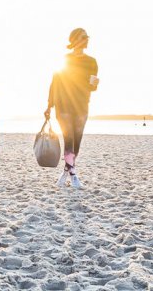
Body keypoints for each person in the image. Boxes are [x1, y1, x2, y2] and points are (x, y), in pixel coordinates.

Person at [45, 28, 98, 188]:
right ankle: (73, 175)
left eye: (87, 37)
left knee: (77, 142)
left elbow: (91, 87)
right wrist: (49, 105)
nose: (87, 39)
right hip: (64, 105)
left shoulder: (92, 62)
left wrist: (94, 84)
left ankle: (65, 172)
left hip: (82, 105)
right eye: (83, 37)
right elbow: (55, 83)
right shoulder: (64, 59)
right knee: (69, 139)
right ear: (75, 40)